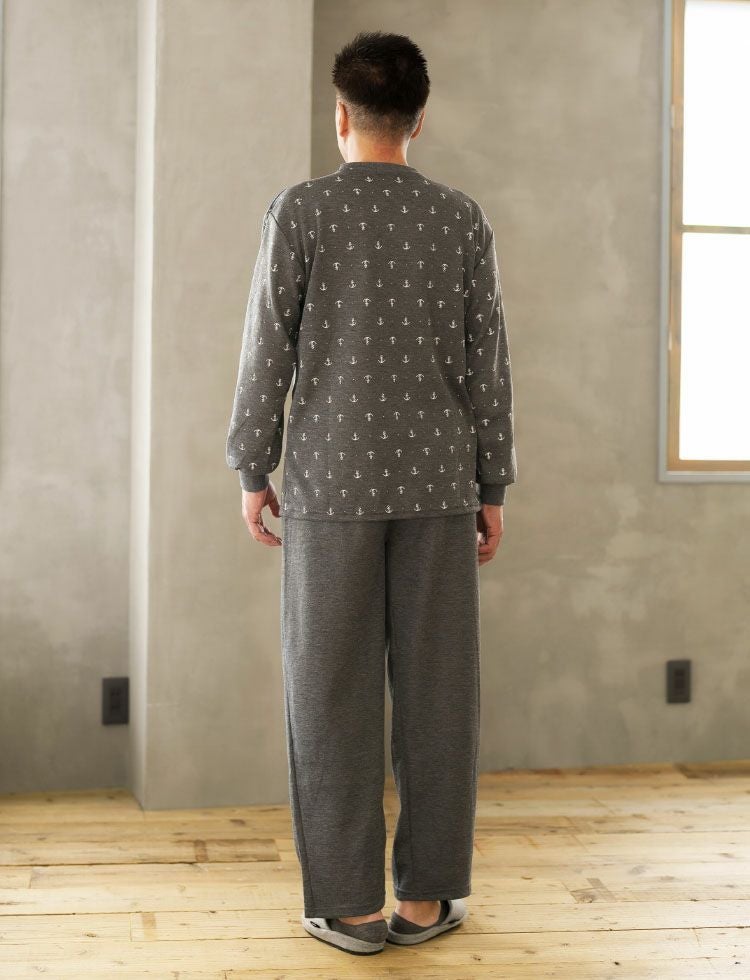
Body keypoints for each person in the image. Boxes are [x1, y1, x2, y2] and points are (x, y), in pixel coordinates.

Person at [225, 30, 517, 957]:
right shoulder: (460, 218)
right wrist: (492, 483)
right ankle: (425, 901)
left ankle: (350, 908)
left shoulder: (300, 211)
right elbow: (488, 362)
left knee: (328, 695)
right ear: (418, 119)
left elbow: (266, 348)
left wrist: (252, 467)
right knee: (439, 695)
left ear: (341, 115)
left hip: (329, 490)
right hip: (440, 486)